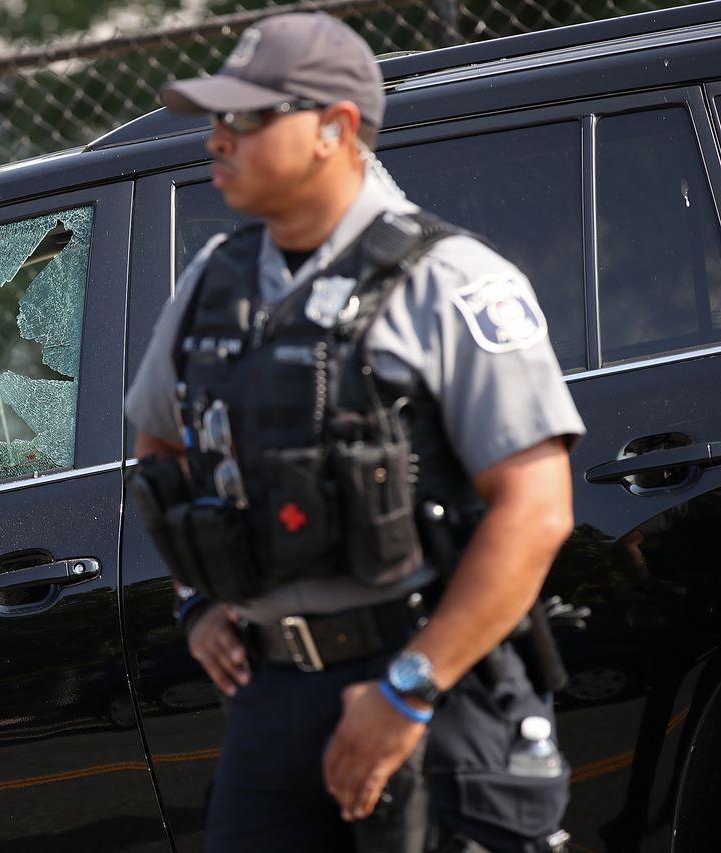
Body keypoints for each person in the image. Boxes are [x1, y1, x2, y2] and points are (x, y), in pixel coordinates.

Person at [126, 12, 585, 852]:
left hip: (431, 688)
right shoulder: (211, 283)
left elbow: (536, 508)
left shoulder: (451, 280)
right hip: (272, 699)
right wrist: (197, 603)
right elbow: (159, 444)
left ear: (334, 128)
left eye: (246, 118)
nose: (215, 140)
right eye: (215, 119)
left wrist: (409, 688)